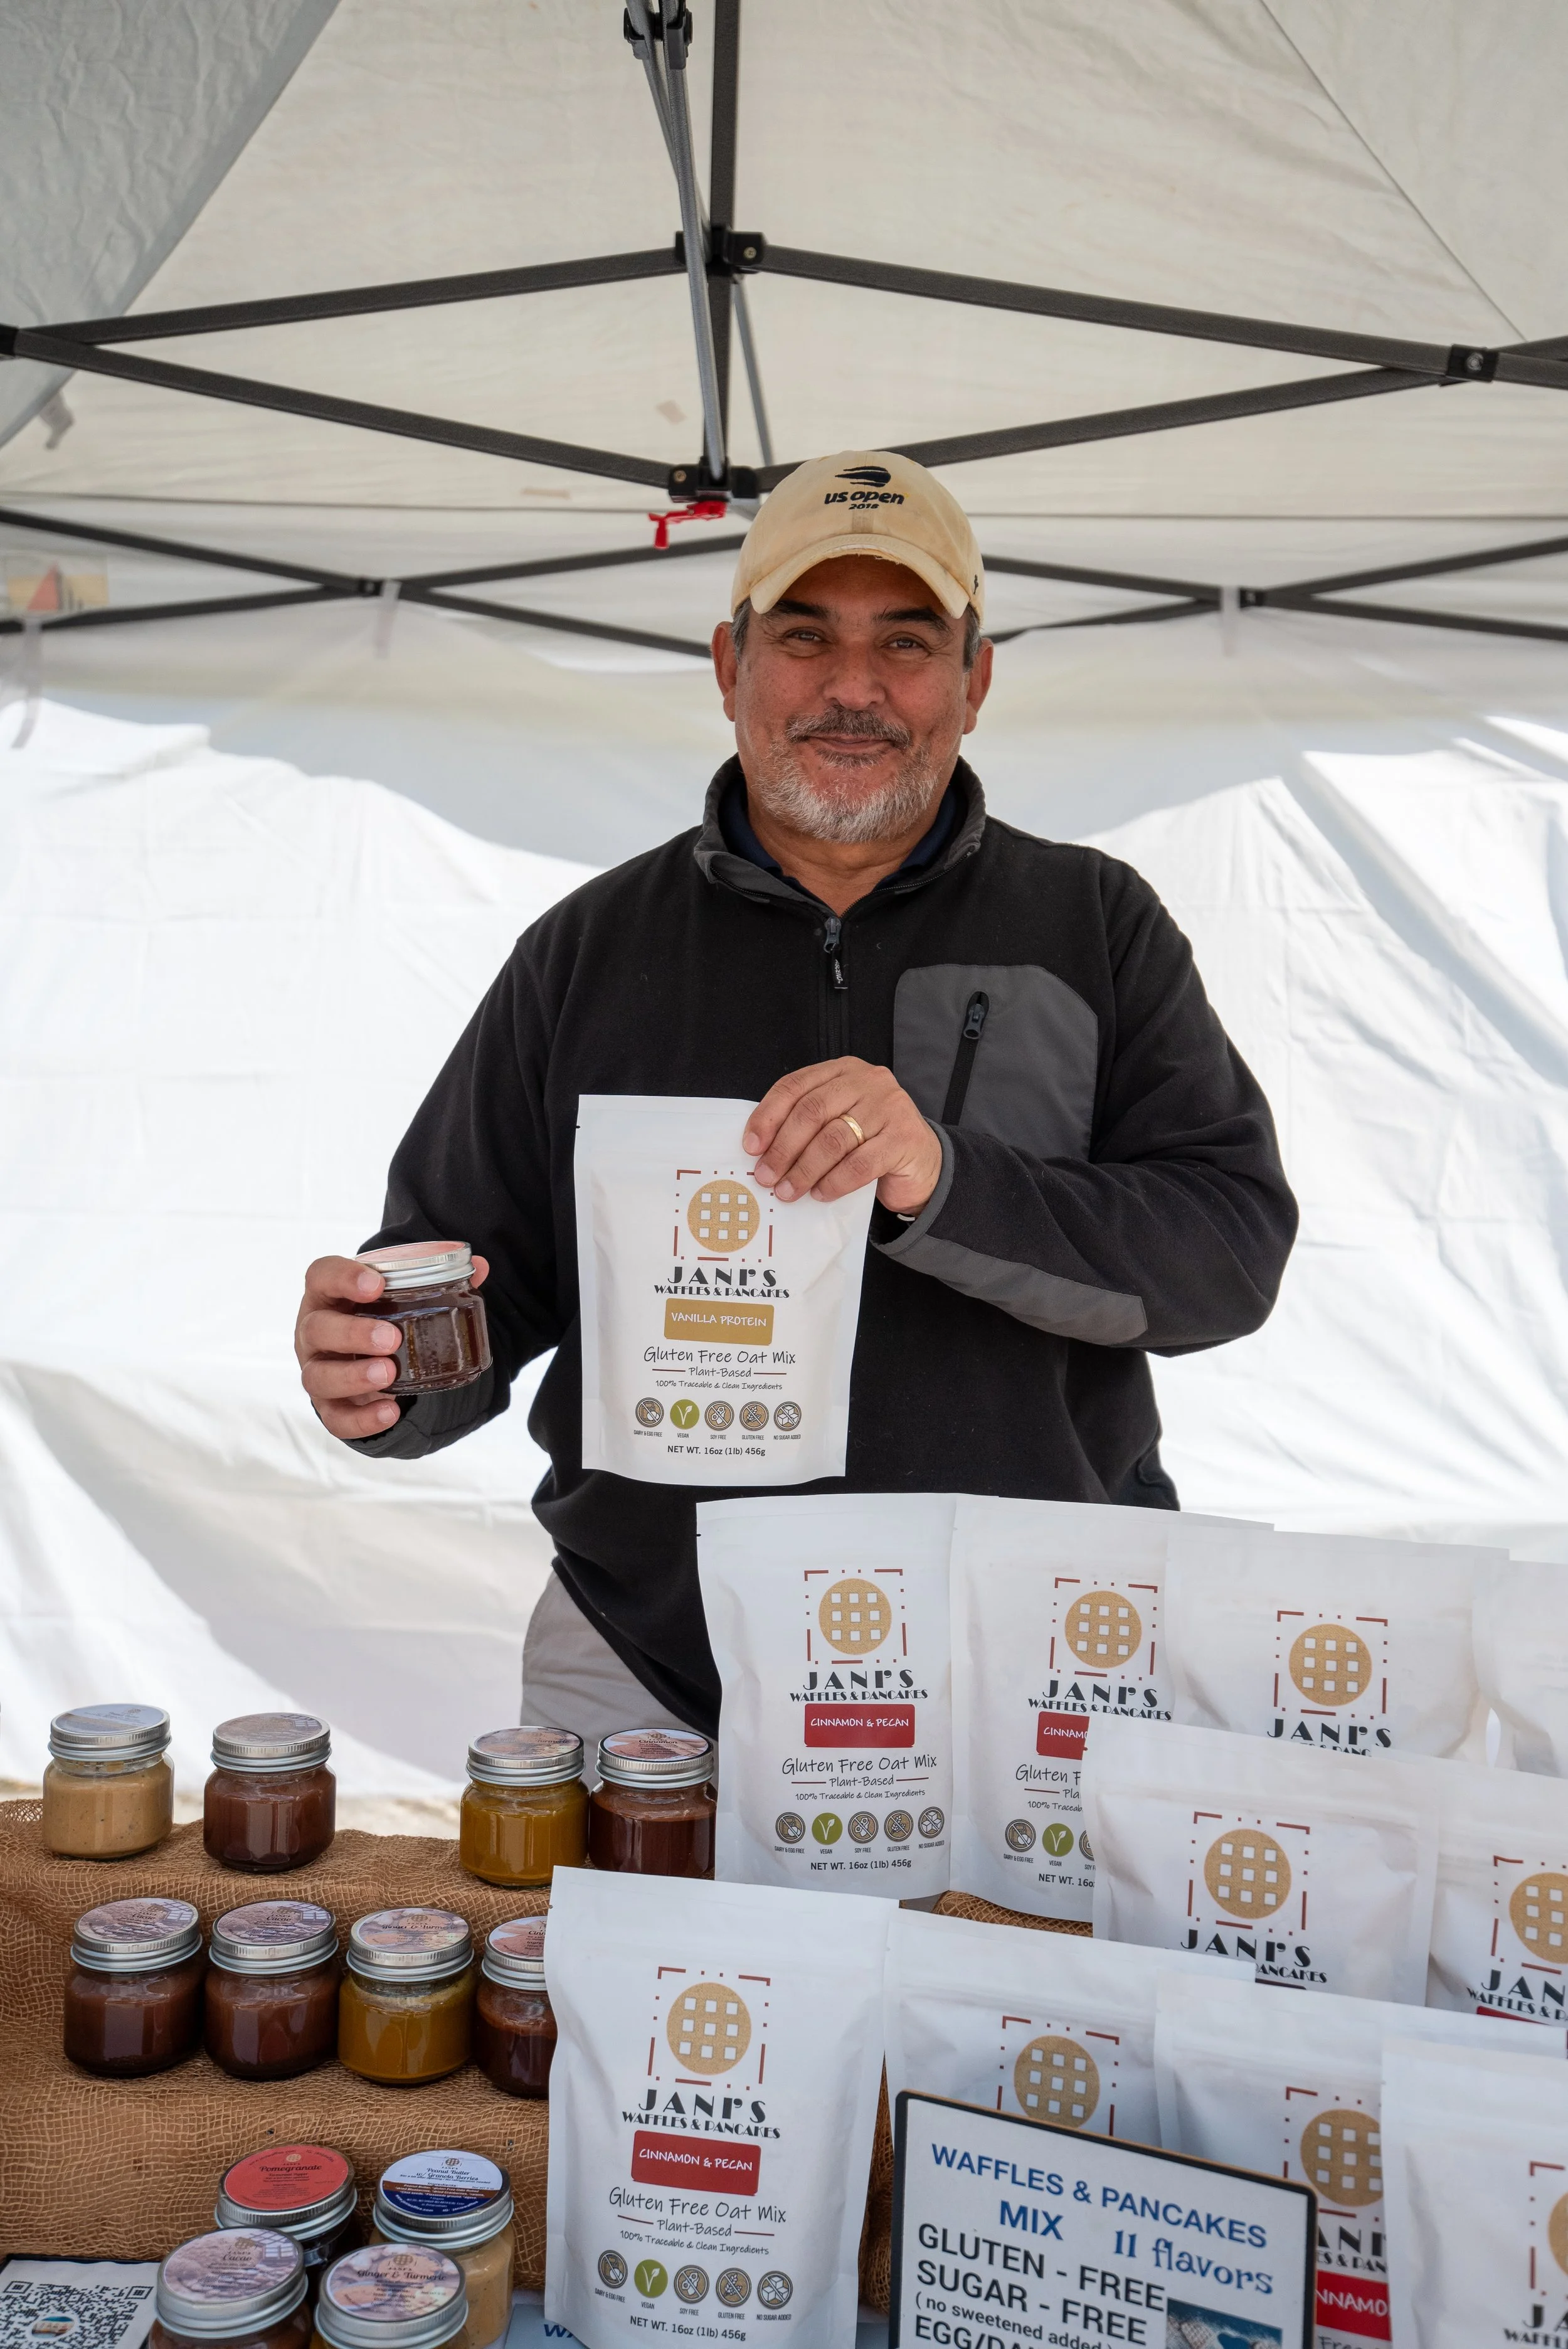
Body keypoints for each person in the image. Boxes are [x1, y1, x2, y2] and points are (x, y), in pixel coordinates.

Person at [294, 448, 1298, 1752]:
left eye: (907, 640)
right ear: (728, 666)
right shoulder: (585, 950)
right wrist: (386, 1369)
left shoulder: (1094, 927)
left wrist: (948, 1178)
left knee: (1015, 1969)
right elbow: (476, 1273)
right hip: (654, 1667)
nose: (852, 687)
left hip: (1041, 1660)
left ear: (974, 680)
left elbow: (1221, 1259)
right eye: (805, 636)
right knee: (609, 1969)